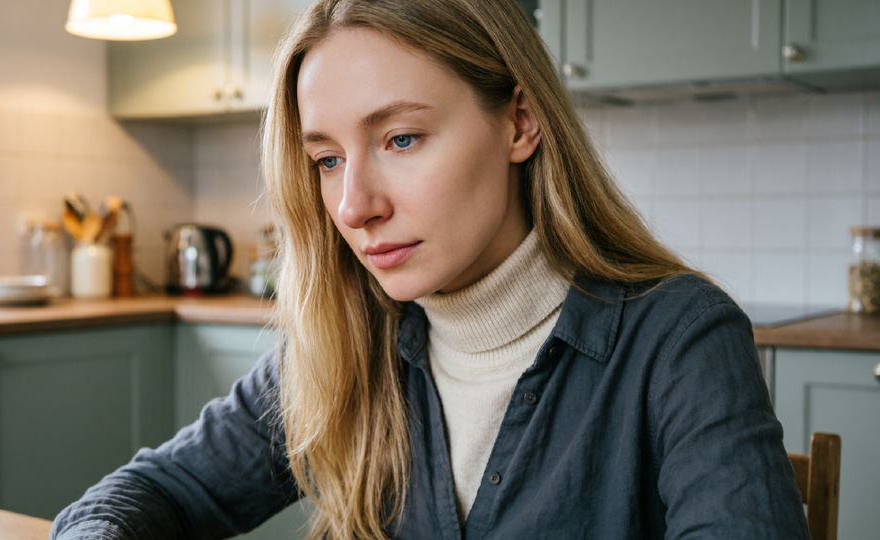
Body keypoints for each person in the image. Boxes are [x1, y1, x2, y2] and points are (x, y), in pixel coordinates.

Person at [52, 0, 809, 538]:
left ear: (520, 121)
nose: (352, 205)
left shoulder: (679, 339)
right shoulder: (341, 341)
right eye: (326, 159)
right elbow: (152, 493)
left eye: (402, 139)